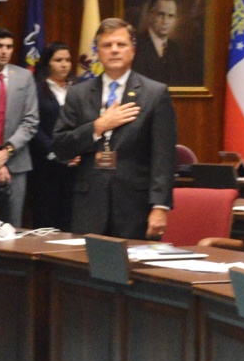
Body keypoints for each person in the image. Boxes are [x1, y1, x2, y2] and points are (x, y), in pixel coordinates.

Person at [53, 18, 177, 239]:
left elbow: (163, 157)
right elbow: (61, 147)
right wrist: (98, 126)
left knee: (132, 271)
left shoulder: (155, 94)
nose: (114, 51)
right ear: (98, 52)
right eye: (107, 45)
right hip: (89, 204)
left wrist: (160, 206)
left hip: (135, 206)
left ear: (133, 50)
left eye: (121, 45)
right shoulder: (78, 93)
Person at [0, 28, 39, 225]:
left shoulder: (24, 77)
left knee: (13, 225)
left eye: (9, 47)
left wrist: (7, 151)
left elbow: (31, 120)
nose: (4, 51)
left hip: (17, 162)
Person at [29, 42, 78, 231]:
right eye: (58, 60)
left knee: (70, 218)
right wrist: (55, 152)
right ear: (48, 63)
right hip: (45, 165)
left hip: (75, 164)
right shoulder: (36, 88)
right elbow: (33, 126)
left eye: (67, 60)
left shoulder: (79, 87)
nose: (64, 64)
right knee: (46, 218)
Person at [133, 0, 198, 88]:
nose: (165, 21)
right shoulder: (136, 46)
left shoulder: (176, 50)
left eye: (170, 16)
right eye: (161, 14)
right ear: (151, 14)